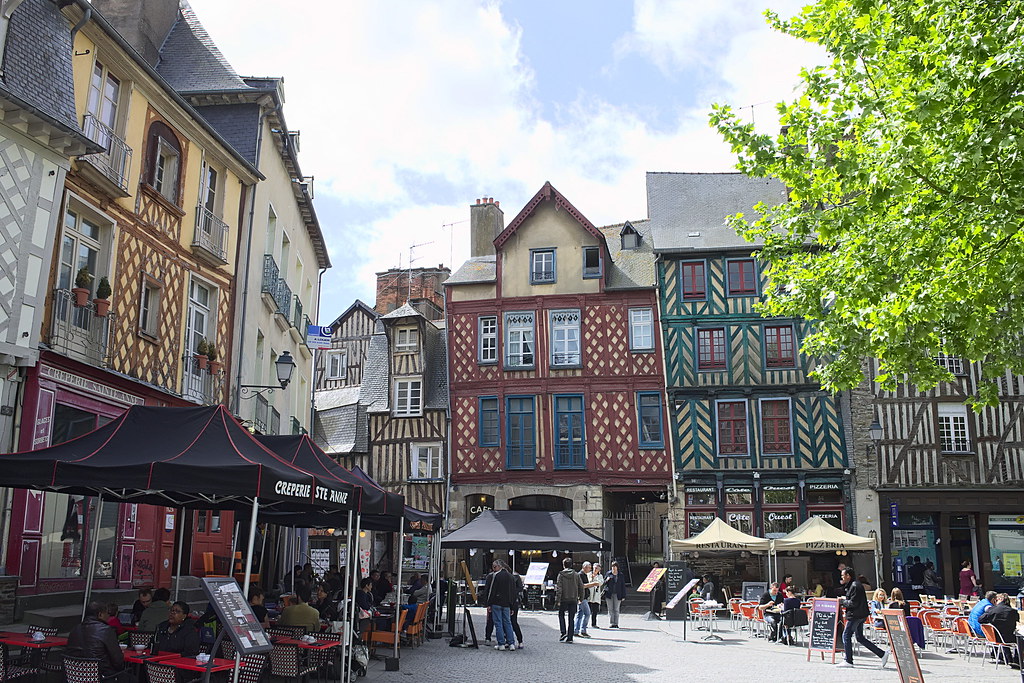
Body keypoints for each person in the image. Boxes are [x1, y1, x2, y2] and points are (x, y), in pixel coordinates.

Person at [837, 568, 888, 668]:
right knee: (860, 637)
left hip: (855, 615)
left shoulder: (855, 586)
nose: (842, 577)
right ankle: (882, 654)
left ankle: (848, 660)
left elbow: (853, 603)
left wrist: (842, 601)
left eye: (843, 575)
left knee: (846, 635)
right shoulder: (855, 585)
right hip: (860, 614)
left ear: (848, 576)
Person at [67, 601, 127, 679]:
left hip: (75, 676)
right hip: (101, 676)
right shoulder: (106, 630)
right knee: (131, 678)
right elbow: (118, 661)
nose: (108, 616)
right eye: (107, 613)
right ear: (100, 614)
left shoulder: (75, 629)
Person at [979, 592, 1020, 665]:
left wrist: (990, 621)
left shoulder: (992, 609)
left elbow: (980, 620)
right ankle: (1017, 659)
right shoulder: (1013, 611)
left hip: (994, 637)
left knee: (1003, 635)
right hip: (1008, 637)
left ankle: (1008, 659)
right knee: (1019, 639)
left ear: (1000, 600)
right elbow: (1017, 622)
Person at [486, 560, 516, 651]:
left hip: (497, 603)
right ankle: (511, 643)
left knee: (498, 623)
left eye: (494, 567)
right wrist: (512, 605)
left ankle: (501, 644)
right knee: (508, 623)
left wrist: (489, 603)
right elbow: (513, 592)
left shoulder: (496, 576)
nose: (493, 569)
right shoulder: (511, 577)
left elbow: (492, 591)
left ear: (499, 566)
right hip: (507, 603)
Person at [556, 558, 585, 643]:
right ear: (571, 565)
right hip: (573, 599)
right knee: (571, 618)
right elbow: (581, 586)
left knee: (561, 615)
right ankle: (570, 637)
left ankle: (563, 632)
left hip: (564, 599)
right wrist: (581, 598)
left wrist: (558, 599)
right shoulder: (576, 574)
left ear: (563, 565)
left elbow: (559, 588)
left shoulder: (561, 575)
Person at [574, 562, 596, 638]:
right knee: (587, 613)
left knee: (580, 614)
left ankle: (576, 630)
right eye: (589, 567)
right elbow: (582, 586)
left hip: (583, 597)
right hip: (582, 597)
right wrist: (593, 584)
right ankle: (583, 630)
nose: (590, 569)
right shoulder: (580, 574)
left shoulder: (583, 574)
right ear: (584, 567)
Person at [604, 561, 627, 628]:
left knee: (616, 609)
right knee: (610, 609)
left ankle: (616, 623)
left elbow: (623, 585)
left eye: (615, 566)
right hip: (609, 593)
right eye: (612, 566)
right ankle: (612, 623)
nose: (613, 568)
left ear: (617, 567)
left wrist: (623, 595)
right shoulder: (608, 573)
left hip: (618, 594)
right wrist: (607, 580)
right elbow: (604, 583)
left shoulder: (620, 575)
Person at [589, 563, 604, 629]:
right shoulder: (589, 574)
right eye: (594, 568)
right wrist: (593, 580)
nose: (595, 569)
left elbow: (600, 583)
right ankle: (584, 623)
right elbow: (588, 582)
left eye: (597, 568)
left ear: (599, 569)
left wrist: (594, 583)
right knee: (587, 610)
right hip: (589, 594)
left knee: (595, 611)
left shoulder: (600, 576)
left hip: (596, 595)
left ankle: (594, 623)